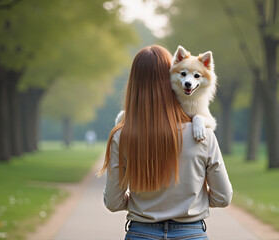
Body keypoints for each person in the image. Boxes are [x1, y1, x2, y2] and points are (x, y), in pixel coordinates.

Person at [99, 45, 233, 240]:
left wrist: (142, 204)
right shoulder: (203, 135)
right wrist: (190, 203)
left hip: (141, 232)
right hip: (191, 233)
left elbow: (113, 202)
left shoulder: (122, 135)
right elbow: (223, 197)